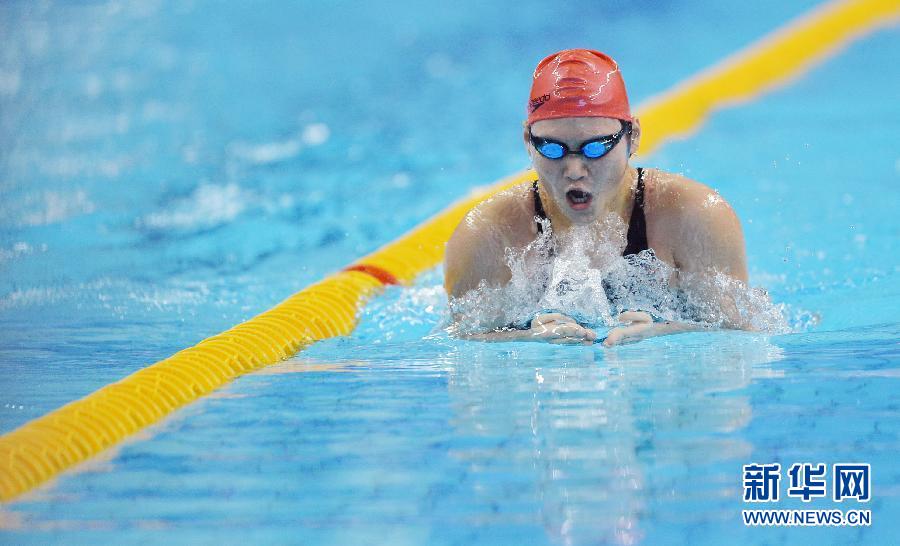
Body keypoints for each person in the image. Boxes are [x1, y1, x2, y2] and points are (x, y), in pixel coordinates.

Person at [443, 49, 752, 347]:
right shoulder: (488, 236)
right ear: (528, 140)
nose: (575, 170)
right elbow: (460, 346)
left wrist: (667, 333)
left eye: (596, 147)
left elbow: (741, 336)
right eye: (552, 148)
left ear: (634, 137)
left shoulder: (694, 217)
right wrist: (528, 339)